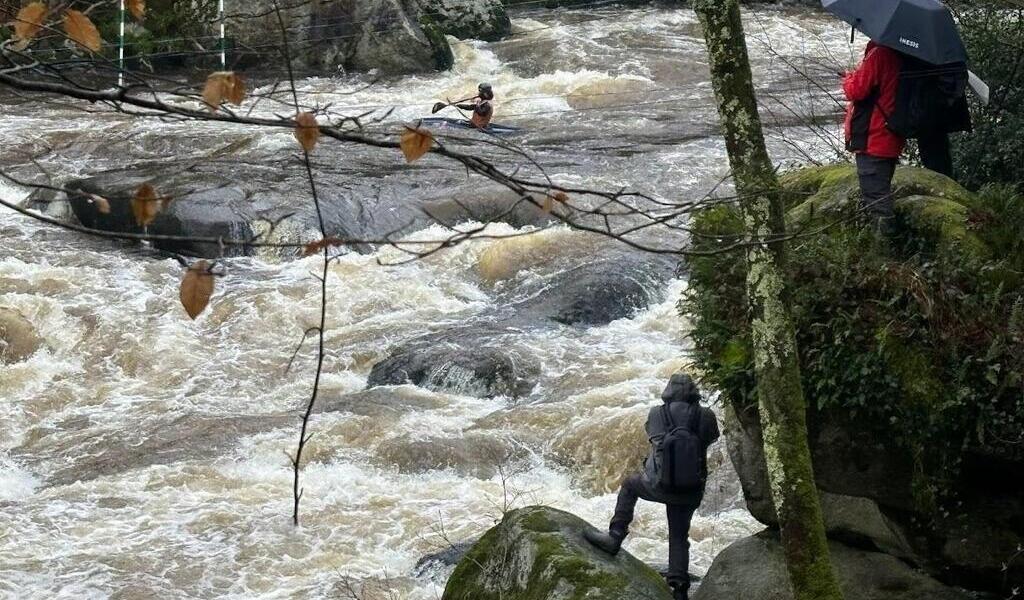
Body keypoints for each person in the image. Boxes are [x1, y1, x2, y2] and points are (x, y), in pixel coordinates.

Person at [584, 373, 720, 600]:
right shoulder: (706, 415)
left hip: (660, 485)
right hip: (691, 489)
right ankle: (679, 590)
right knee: (679, 535)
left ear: (668, 391)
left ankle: (615, 536)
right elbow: (710, 439)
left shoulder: (657, 413)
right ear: (693, 392)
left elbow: (655, 441)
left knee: (629, 484)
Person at [843, 41, 905, 233]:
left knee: (876, 197)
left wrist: (848, 78)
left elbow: (856, 90)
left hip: (874, 137)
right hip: (891, 135)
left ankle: (885, 251)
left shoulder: (880, 54)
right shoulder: (902, 54)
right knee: (879, 191)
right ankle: (884, 246)